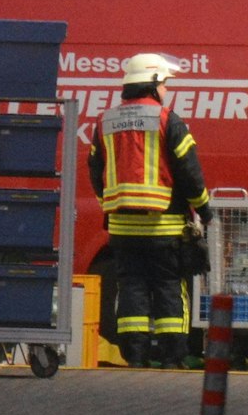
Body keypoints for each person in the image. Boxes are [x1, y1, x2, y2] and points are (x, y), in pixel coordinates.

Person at [88, 52, 213, 368]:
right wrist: (204, 209)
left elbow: (95, 170)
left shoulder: (105, 121)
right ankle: (173, 357)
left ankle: (136, 356)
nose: (167, 90)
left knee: (131, 288)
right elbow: (189, 171)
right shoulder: (167, 120)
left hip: (122, 229)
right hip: (164, 226)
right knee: (169, 288)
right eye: (166, 84)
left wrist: (112, 203)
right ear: (154, 83)